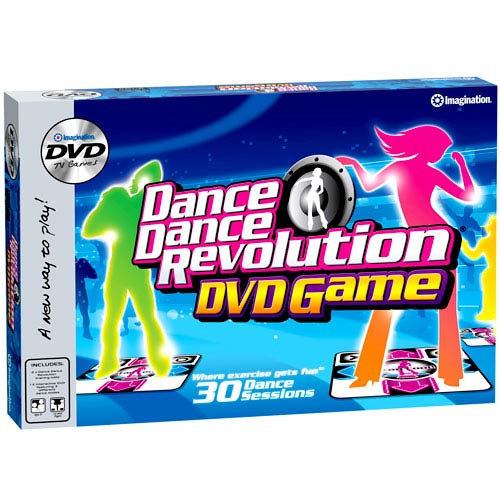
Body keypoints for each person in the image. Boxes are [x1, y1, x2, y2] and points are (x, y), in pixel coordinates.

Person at [338, 125, 476, 387]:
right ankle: (366, 373)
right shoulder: (403, 168)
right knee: (389, 297)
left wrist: (461, 166)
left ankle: (451, 375)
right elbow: (369, 185)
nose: (441, 154)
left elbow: (466, 196)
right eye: (440, 148)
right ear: (428, 147)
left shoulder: (424, 171)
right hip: (416, 240)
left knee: (445, 304)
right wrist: (354, 164)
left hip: (438, 238)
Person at [82, 160, 171, 379]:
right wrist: (106, 203)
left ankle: (159, 361)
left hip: (137, 272)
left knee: (147, 318)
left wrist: (124, 192)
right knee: (113, 319)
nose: (131, 183)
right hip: (118, 272)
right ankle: (109, 362)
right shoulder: (120, 205)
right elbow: (89, 230)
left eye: (137, 180)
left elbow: (154, 171)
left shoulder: (143, 204)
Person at [461, 215, 496, 322]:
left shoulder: (486, 241)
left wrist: (463, 243)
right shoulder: (486, 241)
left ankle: (489, 313)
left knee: (490, 294)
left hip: (491, 273)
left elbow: (473, 255)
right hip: (491, 273)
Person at [76, 258, 97, 339]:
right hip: (80, 291)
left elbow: (94, 275)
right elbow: (94, 275)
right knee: (85, 314)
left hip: (81, 292)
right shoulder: (81, 263)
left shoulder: (81, 263)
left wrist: (84, 272)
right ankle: (86, 333)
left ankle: (86, 332)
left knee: (85, 314)